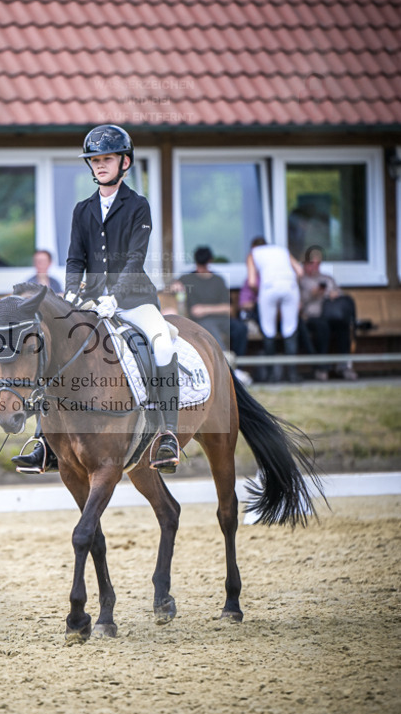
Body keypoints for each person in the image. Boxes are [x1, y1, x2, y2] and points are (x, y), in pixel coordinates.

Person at [13, 124, 180, 474]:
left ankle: (167, 433)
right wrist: (72, 291)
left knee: (162, 344)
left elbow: (135, 259)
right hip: (90, 301)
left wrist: (115, 298)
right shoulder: (82, 209)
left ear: (124, 163)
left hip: (134, 300)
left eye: (107, 159)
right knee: (54, 348)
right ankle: (44, 440)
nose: (100, 165)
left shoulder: (138, 206)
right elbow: (75, 259)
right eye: (95, 160)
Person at [174, 245, 253, 387]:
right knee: (209, 328)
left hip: (221, 319)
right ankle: (226, 366)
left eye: (203, 265)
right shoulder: (186, 278)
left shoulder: (218, 280)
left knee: (241, 328)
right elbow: (170, 286)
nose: (201, 269)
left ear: (210, 262)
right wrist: (175, 286)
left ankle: (236, 367)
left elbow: (228, 308)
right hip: (199, 321)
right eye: (199, 265)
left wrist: (205, 309)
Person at [246, 236, 303, 383]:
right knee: (290, 329)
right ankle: (292, 375)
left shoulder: (253, 254)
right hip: (290, 286)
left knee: (268, 330)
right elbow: (300, 271)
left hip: (269, 287)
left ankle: (271, 375)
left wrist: (260, 293)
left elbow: (252, 282)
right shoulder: (282, 250)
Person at [299, 245, 357, 381]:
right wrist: (312, 295)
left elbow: (340, 294)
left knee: (343, 326)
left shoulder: (327, 278)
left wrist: (334, 294)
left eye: (317, 264)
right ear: (305, 264)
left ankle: (344, 366)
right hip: (311, 317)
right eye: (311, 263)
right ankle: (321, 368)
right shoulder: (300, 280)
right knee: (322, 327)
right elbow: (298, 304)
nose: (314, 267)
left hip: (330, 315)